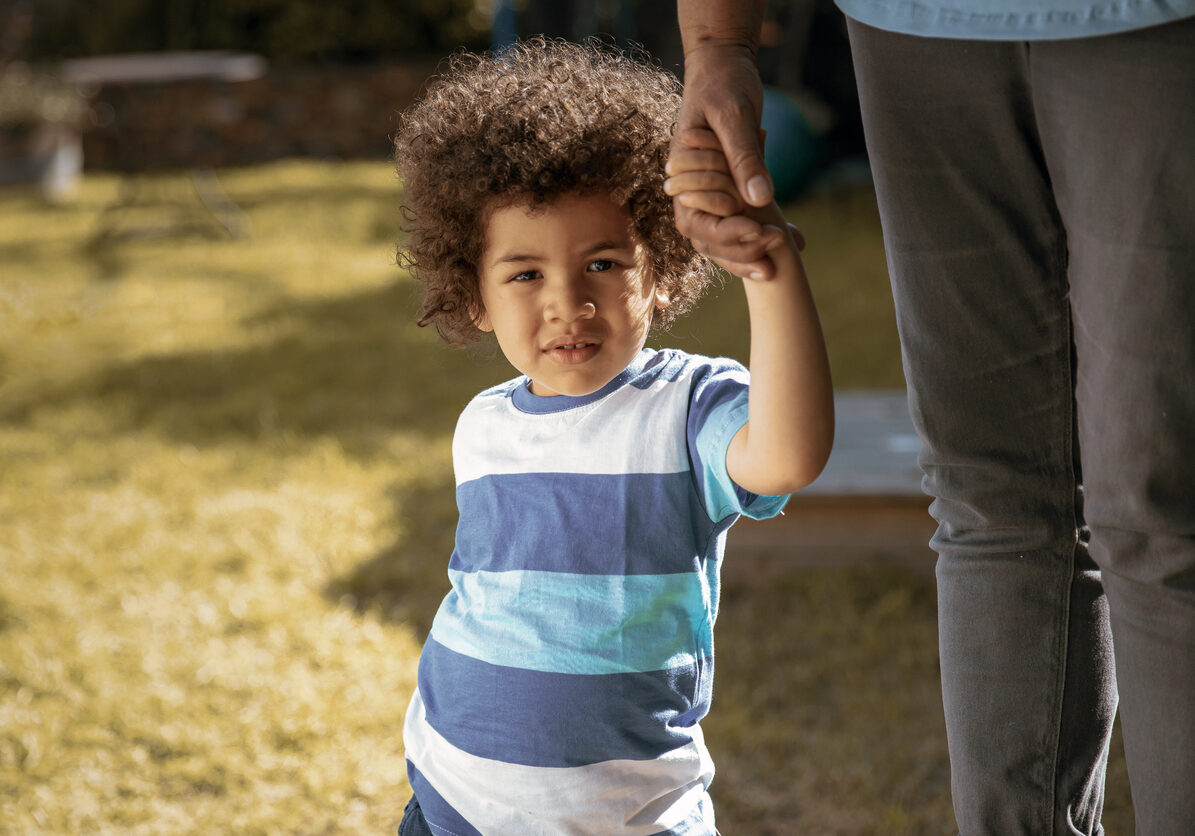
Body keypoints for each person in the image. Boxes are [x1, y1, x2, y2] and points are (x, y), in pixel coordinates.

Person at [670, 1, 1195, 833]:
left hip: (1146, 25)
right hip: (915, 27)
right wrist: (716, 46)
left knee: (1159, 500)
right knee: (987, 495)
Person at [392, 37, 833, 835]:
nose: (567, 302)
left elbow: (790, 454)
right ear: (475, 296)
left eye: (601, 264)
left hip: (625, 816)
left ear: (660, 271)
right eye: (525, 274)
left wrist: (770, 270)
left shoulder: (690, 405)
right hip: (453, 801)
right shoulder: (484, 422)